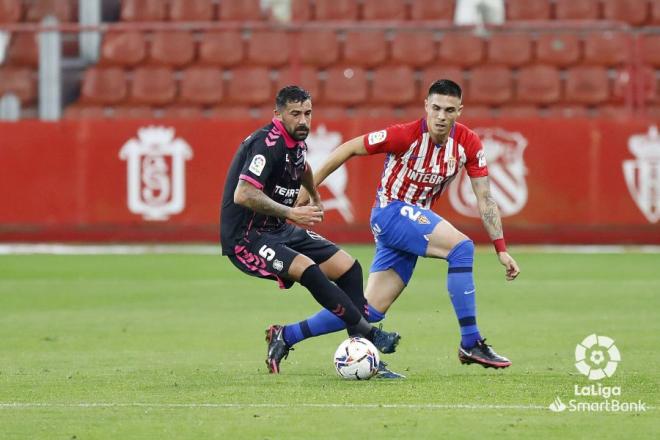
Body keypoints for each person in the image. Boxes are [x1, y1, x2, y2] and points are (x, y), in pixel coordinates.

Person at [277, 79, 520, 378]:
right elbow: (349, 148)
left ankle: (286, 335)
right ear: (426, 107)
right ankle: (471, 342)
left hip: (412, 223)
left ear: (459, 111)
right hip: (390, 213)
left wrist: (501, 249)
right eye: (436, 108)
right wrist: (309, 191)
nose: (441, 116)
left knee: (368, 311)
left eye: (449, 110)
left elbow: (485, 199)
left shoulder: (468, 144)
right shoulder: (404, 135)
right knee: (461, 248)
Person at [220, 85, 401, 374]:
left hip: (277, 228)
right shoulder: (266, 143)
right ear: (277, 114)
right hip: (248, 238)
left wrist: (314, 195)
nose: (303, 121)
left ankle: (361, 356)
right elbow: (243, 194)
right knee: (309, 271)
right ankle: (369, 334)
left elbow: (301, 166)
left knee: (349, 268)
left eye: (307, 113)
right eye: (295, 114)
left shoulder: (297, 140)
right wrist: (292, 212)